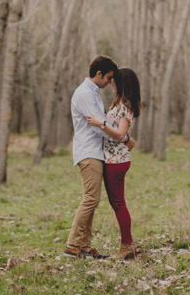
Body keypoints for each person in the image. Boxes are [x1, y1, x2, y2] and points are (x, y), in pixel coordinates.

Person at [64, 55, 135, 260]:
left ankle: (84, 247)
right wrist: (124, 138)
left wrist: (122, 135)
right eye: (109, 77)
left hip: (96, 152)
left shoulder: (92, 93)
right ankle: (72, 245)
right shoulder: (85, 94)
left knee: (92, 201)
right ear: (99, 74)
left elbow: (103, 123)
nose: (110, 82)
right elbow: (99, 127)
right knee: (90, 200)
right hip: (89, 152)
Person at [86, 67, 141, 261]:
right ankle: (127, 244)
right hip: (113, 158)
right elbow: (123, 135)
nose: (111, 82)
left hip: (117, 161)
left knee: (118, 204)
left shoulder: (124, 106)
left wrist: (100, 124)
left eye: (114, 80)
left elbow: (119, 134)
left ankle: (127, 245)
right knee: (116, 203)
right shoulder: (119, 104)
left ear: (122, 83)